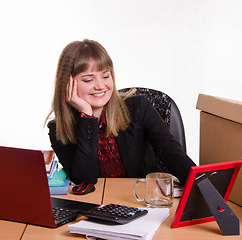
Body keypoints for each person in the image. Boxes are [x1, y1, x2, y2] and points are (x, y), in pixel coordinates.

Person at [46, 39, 196, 195]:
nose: (100, 86)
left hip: (143, 200)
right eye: (88, 79)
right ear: (68, 84)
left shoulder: (138, 107)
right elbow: (84, 180)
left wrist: (202, 185)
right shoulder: (58, 130)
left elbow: (169, 150)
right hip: (96, 206)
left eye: (105, 76)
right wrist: (87, 117)